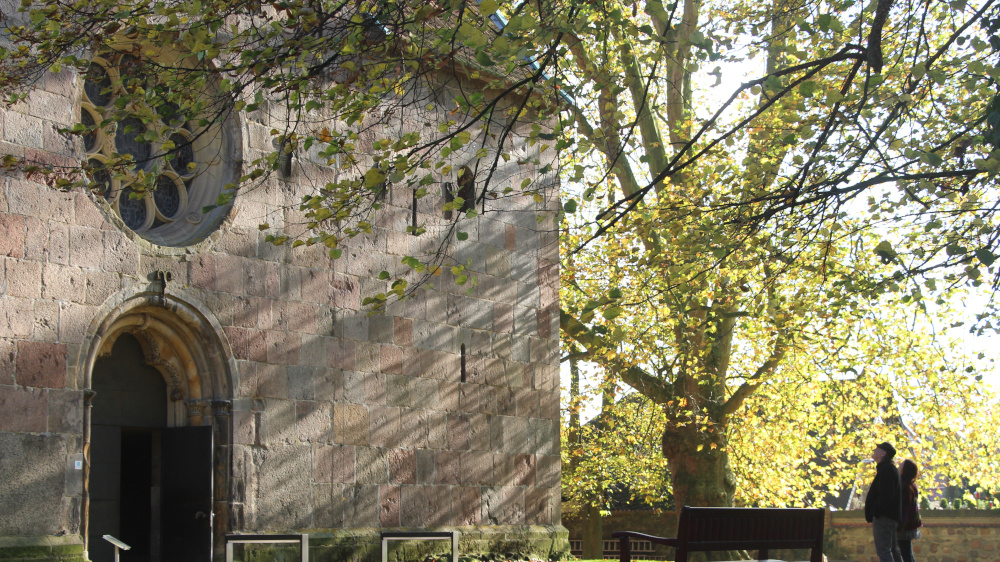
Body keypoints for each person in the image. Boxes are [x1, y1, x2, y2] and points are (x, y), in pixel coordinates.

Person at [865, 442, 903, 562]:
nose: (874, 450)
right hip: (891, 516)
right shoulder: (890, 469)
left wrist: (876, 512)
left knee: (884, 551)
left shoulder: (886, 470)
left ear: (883, 453)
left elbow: (886, 495)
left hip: (884, 517)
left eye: (877, 448)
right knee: (893, 550)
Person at [897, 459, 921, 562]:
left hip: (903, 524)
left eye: (901, 465)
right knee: (906, 552)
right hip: (908, 524)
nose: (899, 466)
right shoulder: (911, 485)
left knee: (905, 553)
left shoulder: (903, 486)